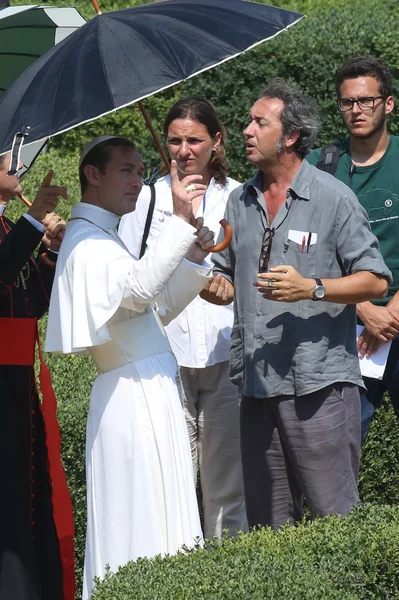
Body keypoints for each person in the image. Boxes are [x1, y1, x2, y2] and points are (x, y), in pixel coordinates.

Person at [205, 78, 391, 530]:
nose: (246, 130)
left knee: (335, 521)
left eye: (258, 122)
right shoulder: (238, 199)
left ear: (290, 136)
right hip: (255, 385)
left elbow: (374, 279)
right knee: (269, 530)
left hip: (319, 386)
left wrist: (313, 288)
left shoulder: (333, 197)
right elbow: (224, 273)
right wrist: (213, 285)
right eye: (249, 120)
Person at [45, 135, 218, 599]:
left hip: (148, 388)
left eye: (142, 171)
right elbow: (140, 291)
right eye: (126, 170)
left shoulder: (105, 236)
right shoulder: (85, 241)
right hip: (132, 393)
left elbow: (154, 307)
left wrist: (195, 256)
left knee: (163, 512)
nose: (138, 181)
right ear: (92, 175)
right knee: (142, 515)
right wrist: (180, 224)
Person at [119, 96, 247, 540]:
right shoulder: (146, 200)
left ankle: (228, 572)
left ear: (217, 141)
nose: (184, 150)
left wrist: (226, 289)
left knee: (228, 487)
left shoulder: (240, 198)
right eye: (175, 140)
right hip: (164, 357)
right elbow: (130, 277)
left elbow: (252, 276)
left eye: (194, 140)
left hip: (225, 356)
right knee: (171, 482)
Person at [307, 56, 399, 444]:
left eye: (366, 101)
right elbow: (303, 250)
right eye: (347, 102)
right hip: (347, 328)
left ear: (388, 103)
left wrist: (392, 313)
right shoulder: (320, 167)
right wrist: (364, 308)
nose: (356, 110)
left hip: (395, 314)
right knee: (339, 444)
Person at [0, 152, 74, 600]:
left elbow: (32, 302)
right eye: (5, 158)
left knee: (27, 496)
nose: (16, 164)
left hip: (16, 377)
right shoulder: (16, 225)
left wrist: (48, 248)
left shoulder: (10, 225)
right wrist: (33, 220)